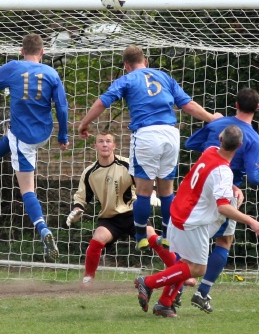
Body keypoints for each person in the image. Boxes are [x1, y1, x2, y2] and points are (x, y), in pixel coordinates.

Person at [77, 45, 222, 252]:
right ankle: (167, 235)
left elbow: (102, 102)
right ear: (145, 61)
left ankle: (140, 236)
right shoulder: (164, 76)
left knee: (143, 191)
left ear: (127, 65)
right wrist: (211, 118)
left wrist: (84, 123)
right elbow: (187, 104)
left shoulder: (127, 79)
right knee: (166, 191)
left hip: (146, 135)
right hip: (171, 133)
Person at [0, 33, 69, 262]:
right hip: (44, 133)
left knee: (27, 190)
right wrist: (63, 134)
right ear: (42, 52)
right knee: (11, 131)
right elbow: (63, 108)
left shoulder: (14, 67)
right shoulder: (52, 73)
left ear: (21, 50)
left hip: (24, 139)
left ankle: (43, 229)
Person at [134, 125, 259, 318]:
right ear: (240, 146)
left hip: (179, 212)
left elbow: (211, 178)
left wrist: (231, 188)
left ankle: (165, 303)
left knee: (185, 263)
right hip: (191, 221)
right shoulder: (224, 171)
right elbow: (223, 206)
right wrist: (251, 221)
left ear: (220, 140)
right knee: (197, 268)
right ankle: (147, 282)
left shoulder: (210, 151)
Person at [183, 87, 259, 313]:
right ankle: (202, 293)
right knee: (224, 241)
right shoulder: (253, 139)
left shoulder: (217, 125)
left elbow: (190, 144)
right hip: (227, 190)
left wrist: (213, 127)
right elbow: (254, 175)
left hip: (201, 188)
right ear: (258, 108)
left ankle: (175, 292)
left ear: (236, 105)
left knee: (191, 240)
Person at [66, 132, 174, 288]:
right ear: (95, 146)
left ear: (114, 146)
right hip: (110, 218)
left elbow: (146, 181)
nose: (104, 144)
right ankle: (88, 279)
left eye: (108, 141)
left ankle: (178, 272)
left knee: (152, 237)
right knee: (97, 239)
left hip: (132, 213)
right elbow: (81, 198)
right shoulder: (89, 172)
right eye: (101, 141)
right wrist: (76, 209)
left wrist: (153, 193)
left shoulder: (127, 165)